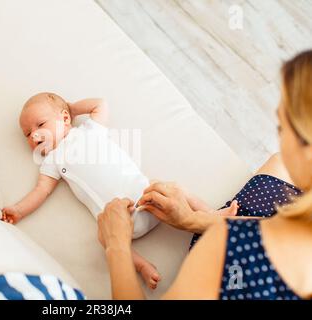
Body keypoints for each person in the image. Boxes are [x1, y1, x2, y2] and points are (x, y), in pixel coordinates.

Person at [97, 51, 312, 300]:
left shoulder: (233, 247)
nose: (280, 140)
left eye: (282, 128)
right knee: (278, 165)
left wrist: (117, 246)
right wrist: (194, 220)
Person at [1, 92, 238, 289]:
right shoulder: (51, 162)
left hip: (146, 196)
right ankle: (142, 265)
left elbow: (99, 104)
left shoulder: (88, 131)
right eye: (27, 134)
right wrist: (19, 210)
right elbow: (41, 191)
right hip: (121, 226)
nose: (34, 135)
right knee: (102, 237)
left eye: (40, 125)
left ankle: (210, 214)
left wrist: (71, 108)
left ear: (64, 119)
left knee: (171, 187)